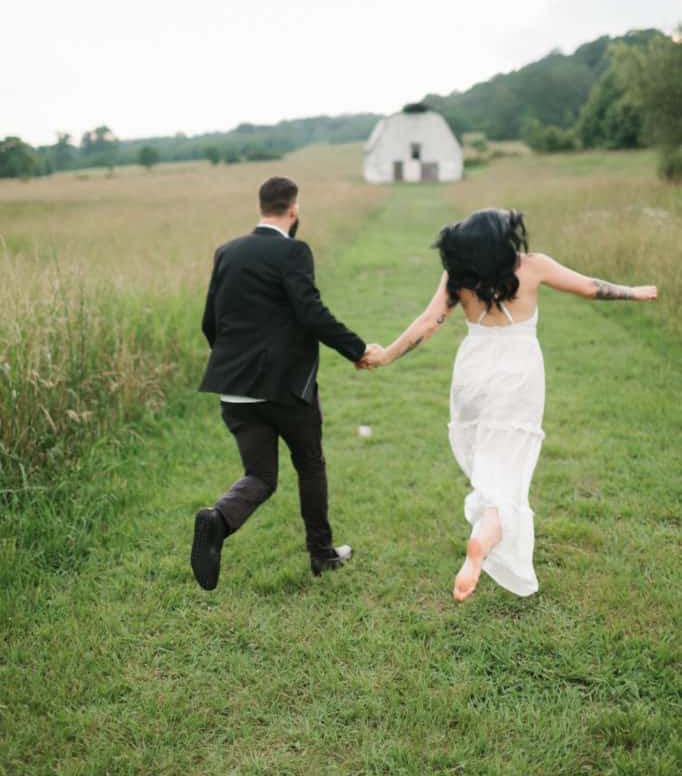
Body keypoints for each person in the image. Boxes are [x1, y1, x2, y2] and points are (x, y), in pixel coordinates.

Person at [360, 208, 657, 601]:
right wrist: (634, 291)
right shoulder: (531, 267)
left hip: (472, 374)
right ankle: (483, 542)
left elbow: (429, 322)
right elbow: (589, 287)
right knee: (509, 477)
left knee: (489, 468)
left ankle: (485, 531)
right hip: (517, 377)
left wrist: (385, 356)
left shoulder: (458, 276)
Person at [192, 175, 375, 589]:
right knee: (310, 464)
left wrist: (235, 361)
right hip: (286, 388)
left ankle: (217, 520)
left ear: (260, 207)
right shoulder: (293, 251)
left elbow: (210, 321)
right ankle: (322, 554)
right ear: (293, 210)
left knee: (260, 475)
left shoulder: (227, 252)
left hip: (234, 387)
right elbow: (310, 311)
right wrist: (358, 349)